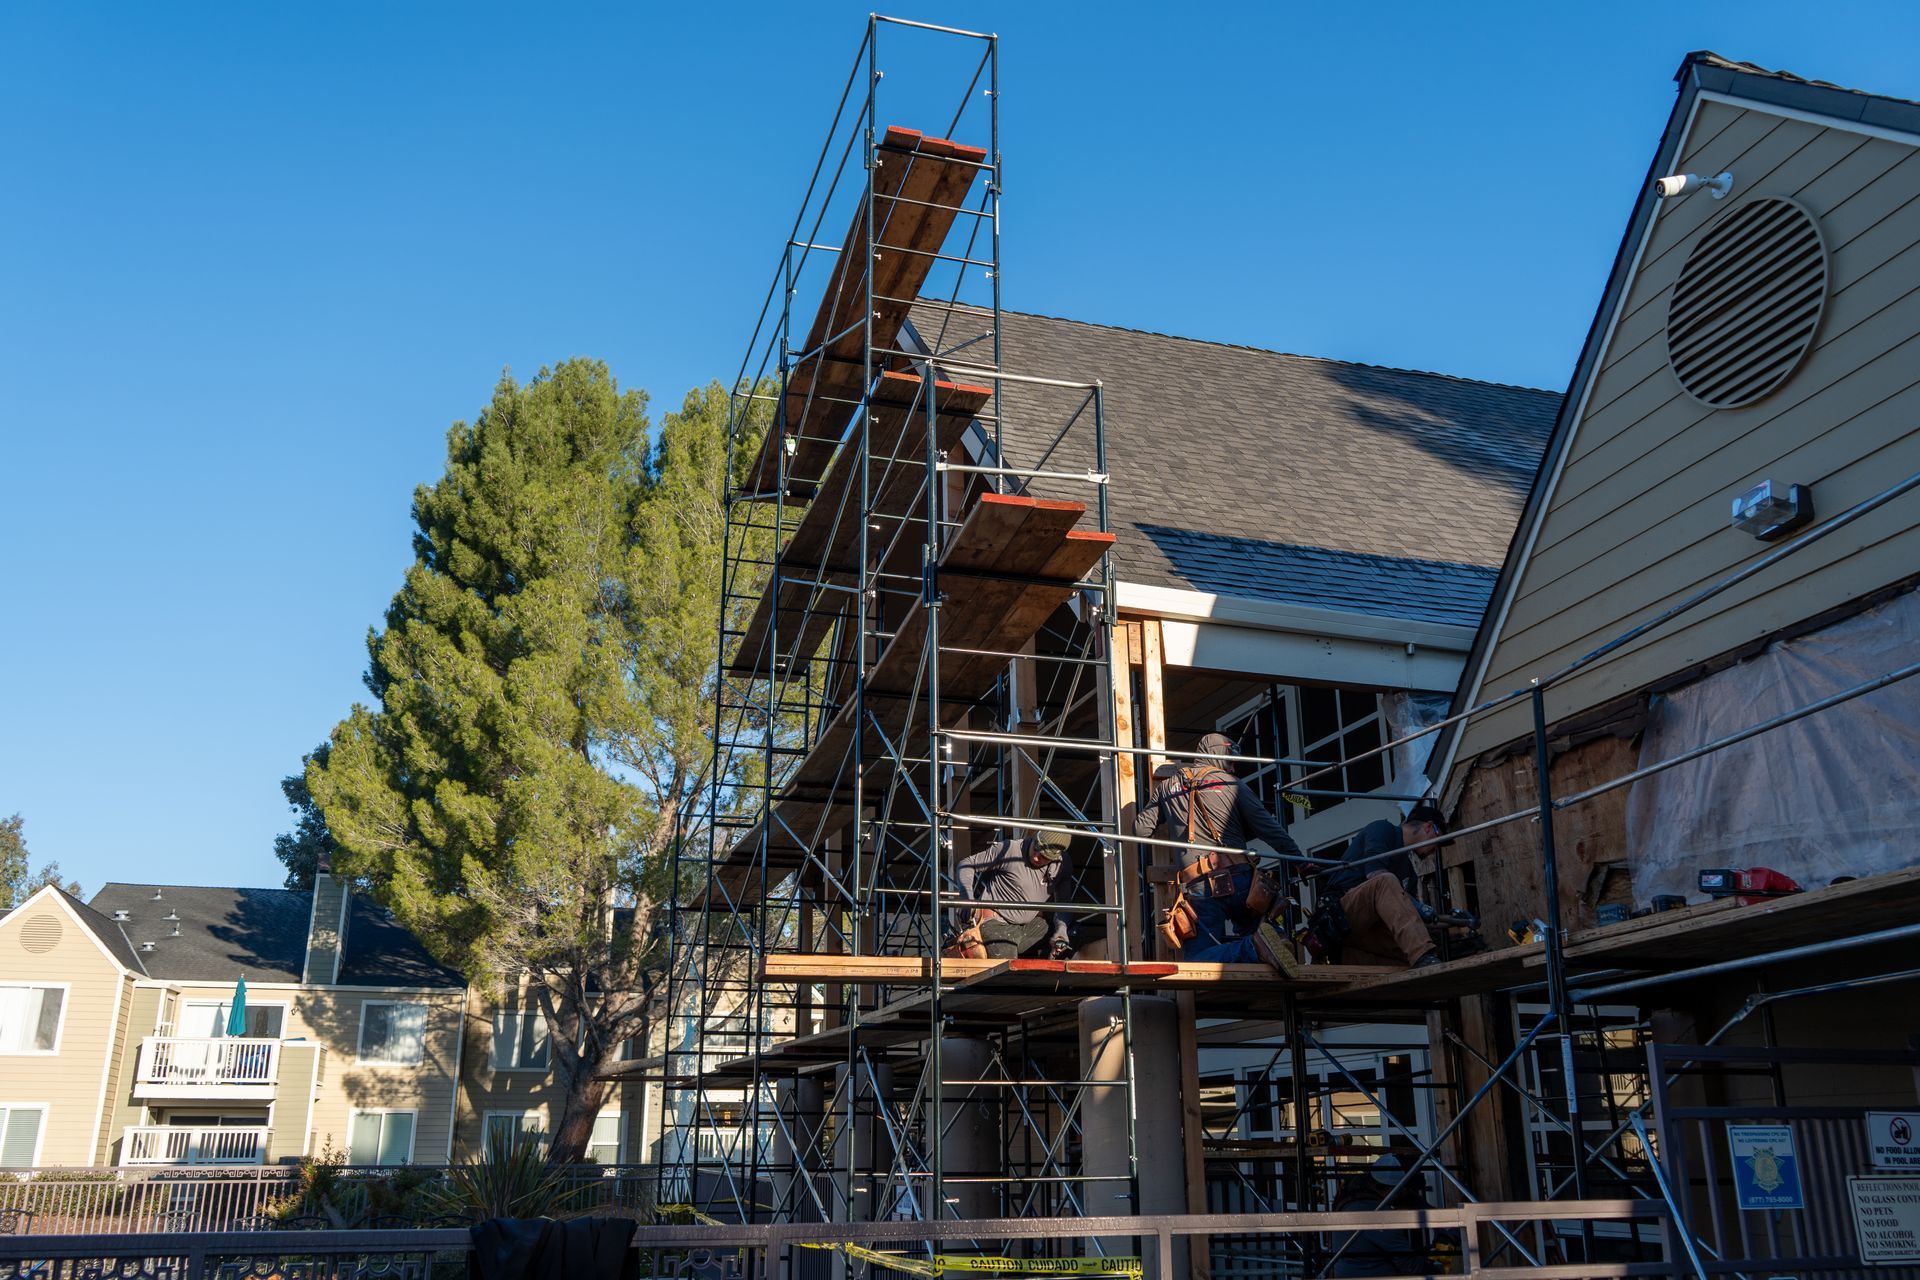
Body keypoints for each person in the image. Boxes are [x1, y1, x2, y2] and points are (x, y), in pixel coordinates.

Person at [1132, 732, 1303, 973]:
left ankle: (1255, 947)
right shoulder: (1233, 784)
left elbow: (1139, 831)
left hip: (1201, 885)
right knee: (1263, 933)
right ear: (1216, 754)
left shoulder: (1168, 787)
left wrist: (1164, 802)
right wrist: (1300, 860)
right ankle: (1267, 940)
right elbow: (1269, 829)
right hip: (1242, 879)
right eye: (1230, 759)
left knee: (1195, 962)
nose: (1233, 766)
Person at [1320, 804, 1447, 968]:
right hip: (1339, 914)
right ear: (1429, 827)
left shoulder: (1409, 872)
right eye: (1437, 841)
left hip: (1365, 934)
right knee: (1385, 881)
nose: (1435, 850)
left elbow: (1410, 918)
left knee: (1410, 952)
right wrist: (1421, 908)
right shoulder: (1382, 829)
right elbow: (1376, 875)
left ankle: (1427, 964)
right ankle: (1423, 955)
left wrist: (1453, 920)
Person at [950, 831, 1075, 959]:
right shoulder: (1010, 849)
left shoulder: (1062, 865)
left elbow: (1063, 903)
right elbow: (966, 865)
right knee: (1007, 966)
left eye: (1044, 857)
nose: (1036, 857)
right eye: (1035, 849)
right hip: (995, 924)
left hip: (1028, 927)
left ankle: (1046, 972)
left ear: (1056, 857)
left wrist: (1061, 930)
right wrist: (967, 898)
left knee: (1072, 934)